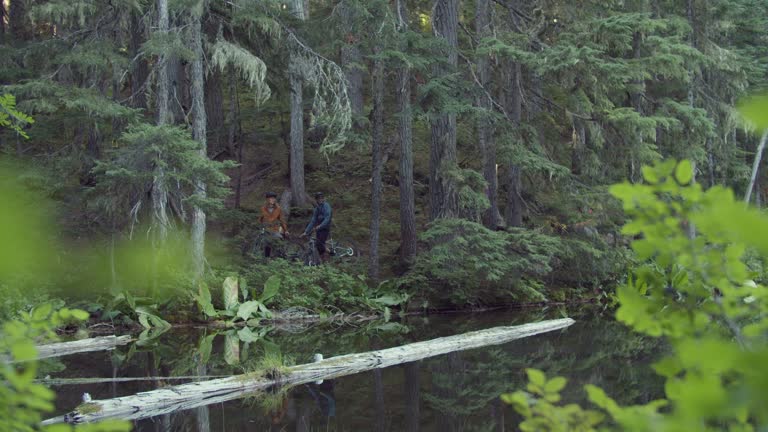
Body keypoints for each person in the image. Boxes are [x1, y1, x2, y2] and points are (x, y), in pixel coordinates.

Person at [301, 192, 332, 263]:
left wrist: (321, 225)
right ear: (316, 200)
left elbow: (327, 218)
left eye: (321, 198)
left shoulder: (326, 206)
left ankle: (325, 260)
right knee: (319, 244)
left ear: (323, 199)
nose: (320, 200)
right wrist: (306, 232)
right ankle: (324, 257)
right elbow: (313, 221)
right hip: (318, 228)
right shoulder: (317, 209)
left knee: (320, 244)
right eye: (318, 198)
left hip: (325, 227)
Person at [260, 191, 289, 258]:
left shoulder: (278, 209)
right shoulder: (263, 208)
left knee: (278, 239)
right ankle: (266, 259)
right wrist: (260, 226)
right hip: (267, 229)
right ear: (267, 199)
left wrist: (286, 230)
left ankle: (281, 257)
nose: (273, 200)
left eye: (274, 198)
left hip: (275, 229)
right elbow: (260, 219)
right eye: (271, 198)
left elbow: (282, 220)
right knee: (267, 243)